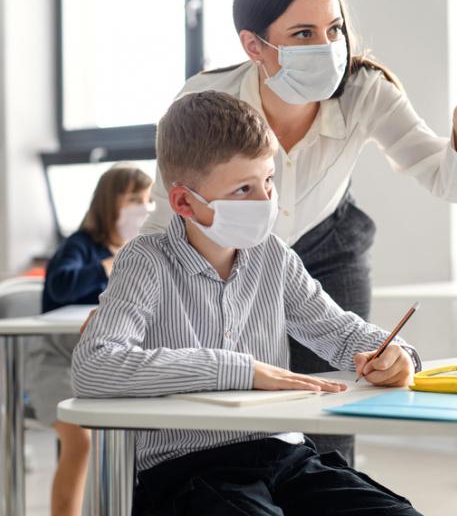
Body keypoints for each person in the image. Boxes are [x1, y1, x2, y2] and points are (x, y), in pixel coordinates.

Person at [142, 0, 457, 462]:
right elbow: (166, 210)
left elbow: (447, 180)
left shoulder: (365, 89)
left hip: (329, 245)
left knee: (335, 402)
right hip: (230, 253)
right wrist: (125, 293)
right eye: (303, 33)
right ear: (254, 45)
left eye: (334, 28)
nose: (326, 47)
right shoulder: (205, 99)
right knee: (235, 406)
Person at [72, 91, 423, 516]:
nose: (265, 202)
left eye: (268, 182)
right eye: (242, 189)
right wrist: (241, 369)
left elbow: (341, 332)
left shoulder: (271, 256)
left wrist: (394, 354)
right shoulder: (147, 261)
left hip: (286, 458)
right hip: (186, 470)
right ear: (184, 202)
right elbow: (94, 367)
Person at [26, 164, 152, 516]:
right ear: (110, 203)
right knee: (80, 441)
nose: (142, 207)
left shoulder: (139, 254)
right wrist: (106, 267)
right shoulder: (79, 246)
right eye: (133, 199)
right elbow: (59, 286)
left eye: (146, 199)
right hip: (55, 363)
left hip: (106, 362)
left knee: (143, 437)